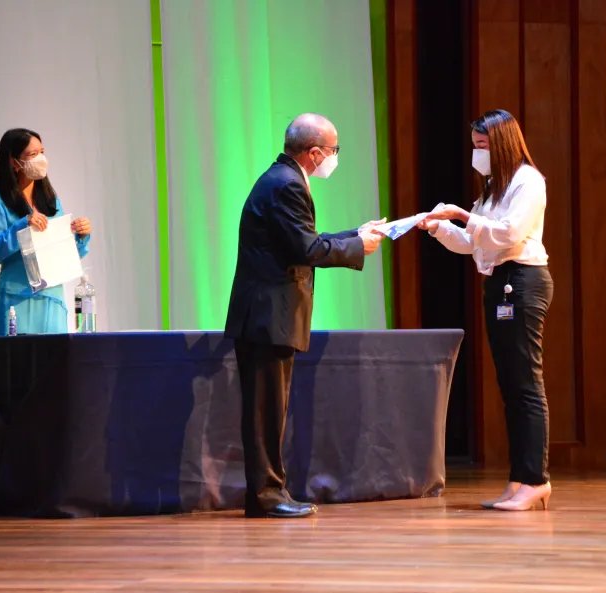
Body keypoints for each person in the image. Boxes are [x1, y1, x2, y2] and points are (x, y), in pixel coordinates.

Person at [225, 113, 386, 518]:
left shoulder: (282, 178)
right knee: (265, 414)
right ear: (314, 153)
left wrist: (355, 236)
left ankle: (269, 494)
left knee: (269, 412)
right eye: (333, 150)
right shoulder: (287, 184)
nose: (334, 157)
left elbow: (302, 240)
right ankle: (267, 496)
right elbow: (306, 249)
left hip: (269, 317)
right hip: (268, 317)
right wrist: (357, 248)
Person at [417, 109, 553, 511]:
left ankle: (535, 479)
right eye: (475, 145)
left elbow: (509, 233)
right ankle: (520, 479)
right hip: (499, 282)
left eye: (483, 146)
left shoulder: (528, 181)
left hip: (523, 281)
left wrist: (462, 214)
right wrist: (439, 227)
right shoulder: (495, 186)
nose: (478, 153)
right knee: (511, 386)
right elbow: (476, 242)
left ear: (502, 144)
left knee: (526, 384)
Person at [0, 128, 92, 336]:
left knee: (54, 357)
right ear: (14, 163)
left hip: (52, 297)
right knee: (18, 357)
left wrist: (81, 237)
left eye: (42, 152)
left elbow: (63, 254)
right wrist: (21, 227)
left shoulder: (51, 201)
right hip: (16, 298)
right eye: (32, 154)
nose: (41, 159)